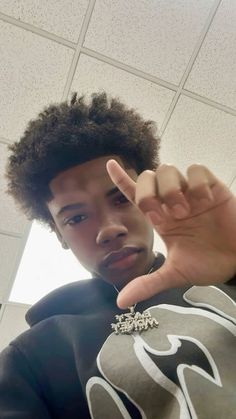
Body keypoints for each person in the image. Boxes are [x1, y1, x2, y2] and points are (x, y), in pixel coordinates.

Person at [0, 92, 235, 418]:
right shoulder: (30, 359)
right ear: (59, 236)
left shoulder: (227, 283)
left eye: (122, 199)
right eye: (76, 218)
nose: (108, 229)